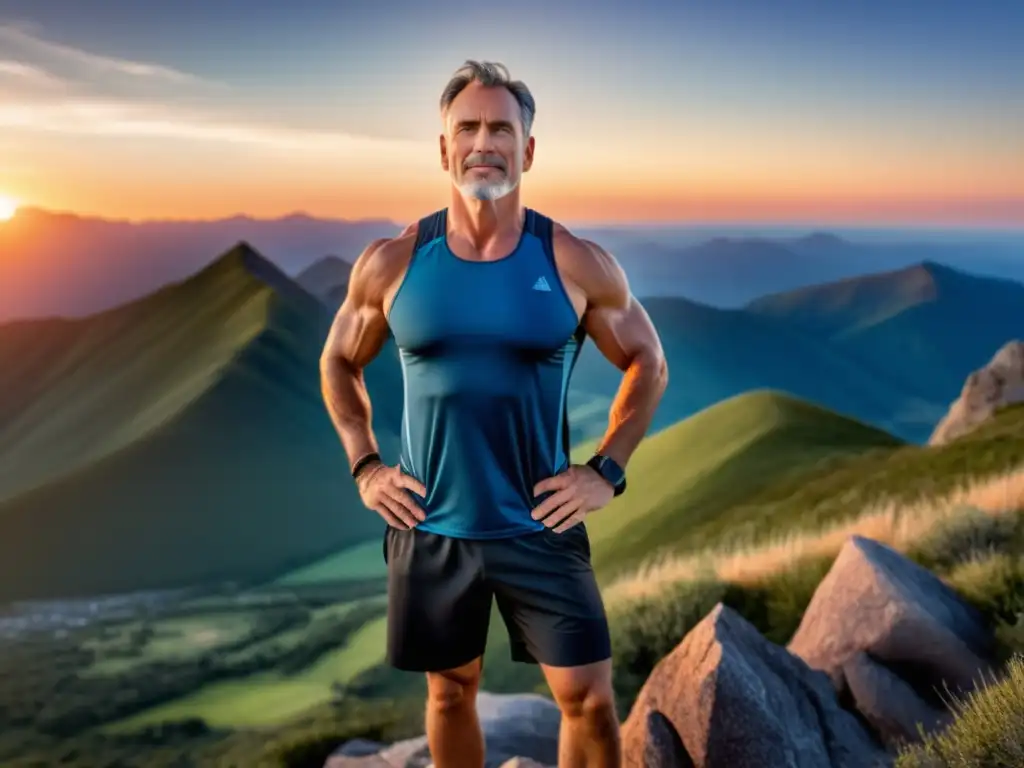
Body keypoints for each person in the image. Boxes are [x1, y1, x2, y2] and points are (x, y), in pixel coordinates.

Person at [320, 60, 668, 768]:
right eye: (468, 128)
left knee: (591, 700)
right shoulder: (391, 262)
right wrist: (364, 465)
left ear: (528, 150)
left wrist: (606, 471)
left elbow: (649, 363)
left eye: (500, 128)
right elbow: (338, 361)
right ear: (443, 148)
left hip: (541, 523)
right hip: (429, 524)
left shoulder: (573, 260)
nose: (484, 141)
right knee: (450, 695)